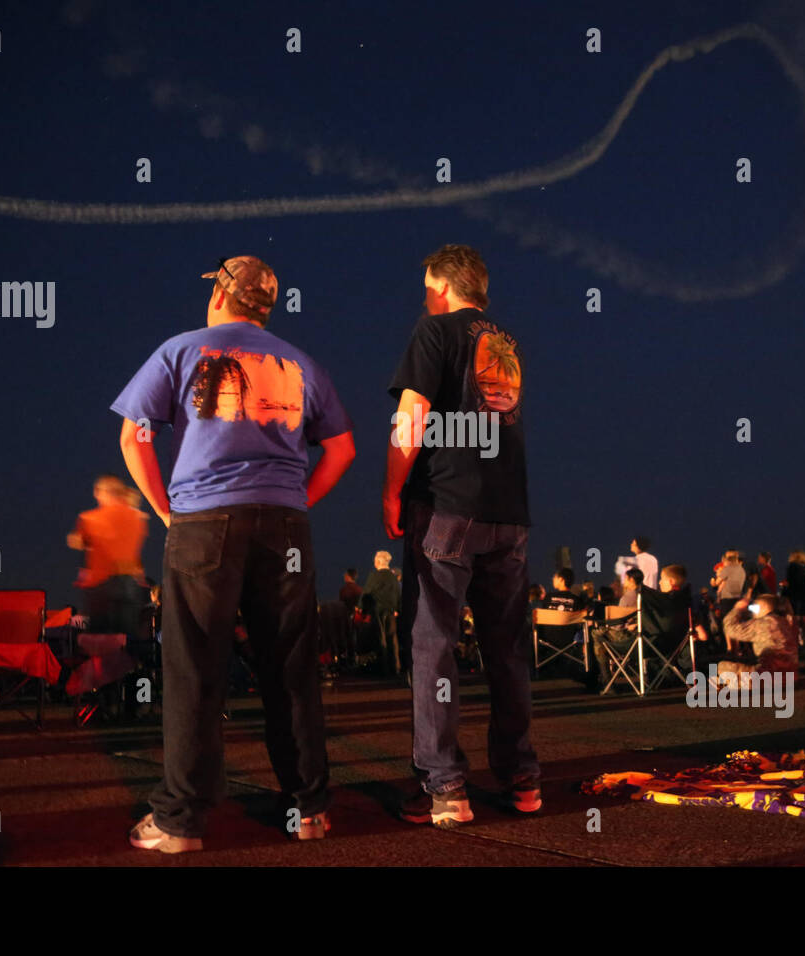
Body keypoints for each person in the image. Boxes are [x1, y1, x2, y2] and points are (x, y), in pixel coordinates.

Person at [114, 254, 355, 852]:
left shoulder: (180, 349)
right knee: (291, 669)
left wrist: (167, 510)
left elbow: (133, 435)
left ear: (222, 293)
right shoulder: (300, 361)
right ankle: (309, 811)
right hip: (284, 526)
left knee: (195, 671)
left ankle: (180, 822)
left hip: (203, 522)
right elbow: (343, 448)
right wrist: (296, 501)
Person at [383, 243, 539, 827]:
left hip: (448, 505)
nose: (424, 296)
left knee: (433, 645)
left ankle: (445, 786)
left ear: (444, 286)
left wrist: (391, 491)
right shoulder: (506, 345)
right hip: (510, 513)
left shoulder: (436, 331)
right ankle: (523, 778)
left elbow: (412, 417)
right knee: (506, 648)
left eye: (427, 285)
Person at [68, 474, 149, 644]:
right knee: (128, 639)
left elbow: (76, 541)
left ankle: (102, 669)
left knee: (99, 639)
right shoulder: (138, 517)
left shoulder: (89, 518)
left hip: (101, 584)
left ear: (102, 492)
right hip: (129, 583)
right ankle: (128, 669)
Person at [718, 593, 799, 678]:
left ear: (764, 608)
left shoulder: (763, 623)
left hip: (767, 677)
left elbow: (730, 628)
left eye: (755, 608)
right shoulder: (784, 622)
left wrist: (737, 609)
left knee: (722, 667)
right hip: (791, 675)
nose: (753, 612)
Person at [362, 551, 403, 675]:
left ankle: (383, 668)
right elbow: (398, 594)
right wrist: (397, 609)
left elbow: (366, 594)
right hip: (391, 612)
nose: (374, 562)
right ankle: (396, 667)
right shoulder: (392, 577)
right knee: (392, 638)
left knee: (381, 638)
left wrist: (362, 609)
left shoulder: (374, 576)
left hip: (377, 611)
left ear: (379, 561)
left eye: (375, 560)